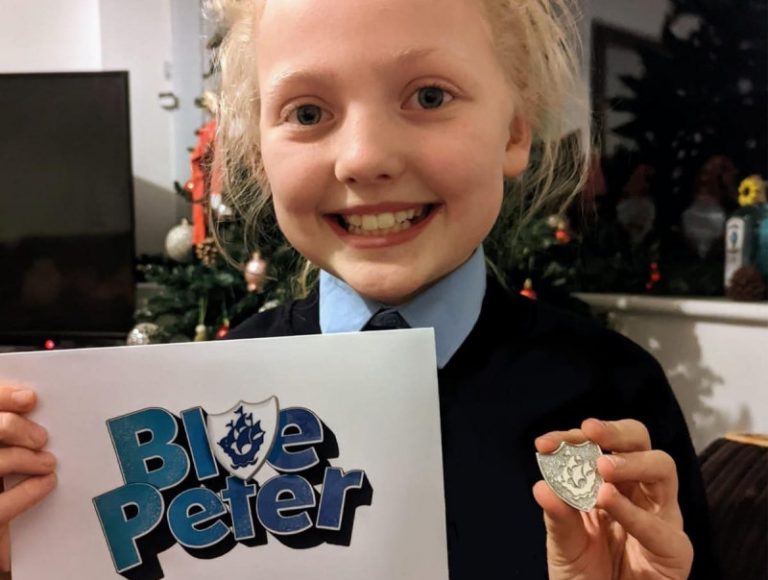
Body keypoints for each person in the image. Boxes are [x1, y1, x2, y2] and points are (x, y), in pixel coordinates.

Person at [0, 0, 717, 578]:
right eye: (308, 113)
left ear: (515, 131)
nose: (365, 158)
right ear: (257, 152)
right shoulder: (204, 396)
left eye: (429, 96)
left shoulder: (613, 395)